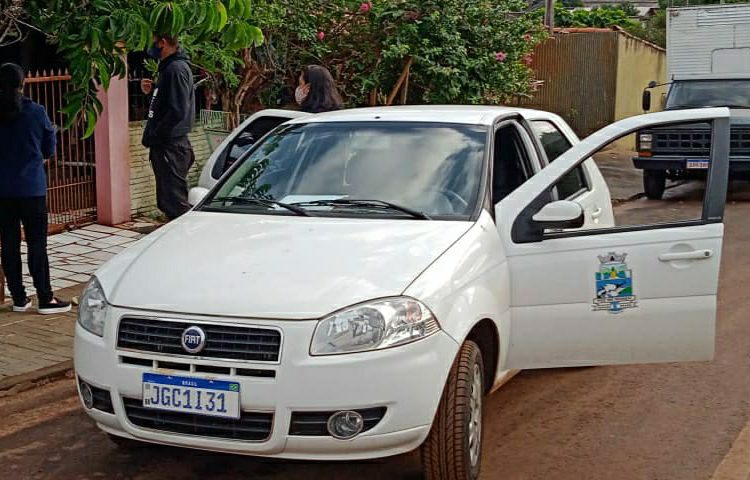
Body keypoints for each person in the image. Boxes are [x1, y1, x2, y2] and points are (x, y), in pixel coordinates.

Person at [0, 63, 71, 314]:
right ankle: (45, 297)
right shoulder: (36, 112)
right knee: (36, 244)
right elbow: (49, 149)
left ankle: (18, 298)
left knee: (8, 245)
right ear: (24, 83)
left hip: (3, 192)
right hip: (32, 189)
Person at [140, 34, 195, 220]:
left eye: (152, 41)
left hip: (171, 147)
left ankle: (184, 244)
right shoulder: (170, 69)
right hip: (169, 146)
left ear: (162, 42)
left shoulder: (175, 69)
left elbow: (177, 111)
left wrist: (157, 135)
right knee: (167, 201)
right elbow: (167, 107)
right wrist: (152, 93)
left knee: (175, 205)